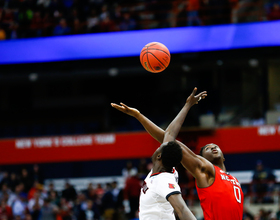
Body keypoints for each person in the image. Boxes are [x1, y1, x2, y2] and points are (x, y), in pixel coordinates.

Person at [111, 87, 244, 220]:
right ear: (200, 158)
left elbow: (167, 139)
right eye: (208, 148)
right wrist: (187, 105)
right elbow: (167, 137)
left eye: (215, 145)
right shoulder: (205, 169)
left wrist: (138, 116)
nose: (213, 146)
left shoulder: (233, 179)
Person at [112, 91, 205, 220]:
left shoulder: (164, 180)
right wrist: (138, 115)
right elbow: (170, 133)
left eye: (160, 146)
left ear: (159, 156)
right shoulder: (162, 170)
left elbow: (182, 209)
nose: (159, 144)